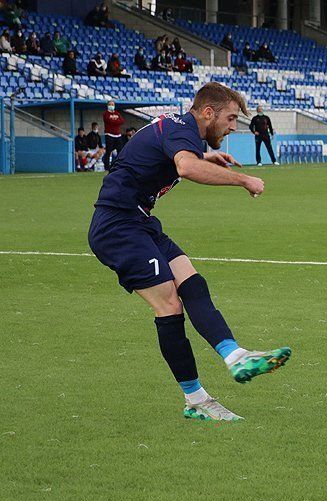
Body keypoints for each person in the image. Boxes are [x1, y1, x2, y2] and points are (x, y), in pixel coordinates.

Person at [87, 82, 292, 422]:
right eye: (229, 118)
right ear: (207, 113)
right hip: (117, 226)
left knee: (191, 282)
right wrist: (243, 180)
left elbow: (166, 150)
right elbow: (186, 167)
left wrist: (206, 154)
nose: (232, 126)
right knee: (169, 305)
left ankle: (235, 354)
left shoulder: (180, 130)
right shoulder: (183, 132)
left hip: (139, 222)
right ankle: (196, 399)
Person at [102, 100, 125, 170]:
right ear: (107, 105)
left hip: (118, 135)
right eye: (110, 104)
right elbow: (108, 121)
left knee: (120, 151)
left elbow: (122, 121)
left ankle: (118, 165)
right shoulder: (105, 114)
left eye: (113, 104)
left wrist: (115, 121)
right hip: (109, 135)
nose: (111, 106)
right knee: (109, 151)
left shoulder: (117, 113)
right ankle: (106, 166)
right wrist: (116, 121)